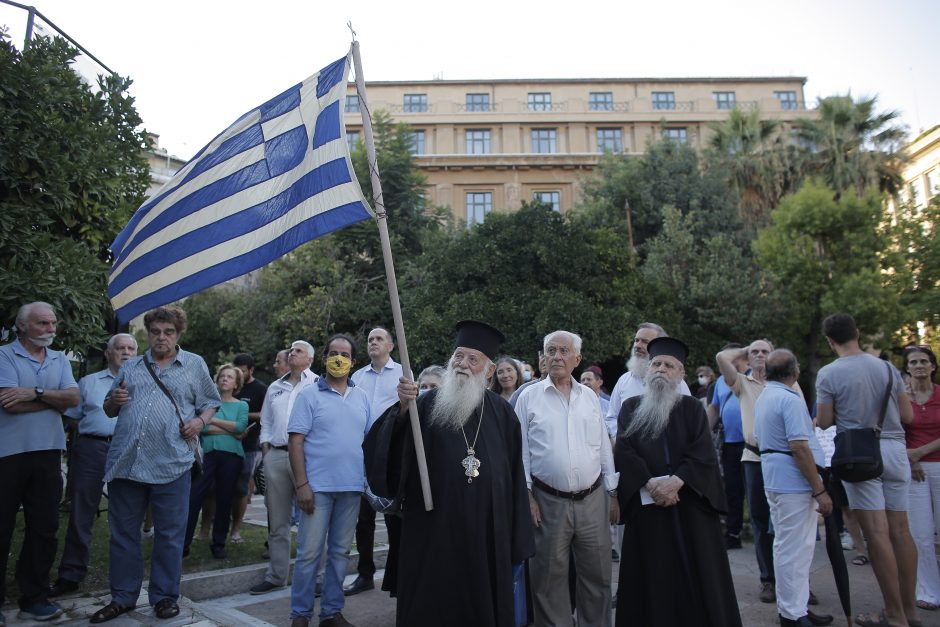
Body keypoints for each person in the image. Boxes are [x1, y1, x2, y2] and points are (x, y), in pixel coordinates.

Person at [364, 320, 534, 626]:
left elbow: (513, 475)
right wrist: (403, 410)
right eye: (458, 356)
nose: (463, 364)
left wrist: (516, 536)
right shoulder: (424, 406)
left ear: (489, 370)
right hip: (434, 529)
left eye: (473, 359)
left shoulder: (503, 413)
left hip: (487, 533)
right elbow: (389, 454)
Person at [95, 305, 220, 623]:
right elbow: (110, 408)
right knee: (123, 533)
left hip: (172, 462)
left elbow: (210, 402)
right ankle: (122, 597)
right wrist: (114, 402)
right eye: (155, 332)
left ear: (178, 334)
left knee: (169, 534)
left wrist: (199, 422)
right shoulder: (132, 366)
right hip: (129, 461)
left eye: (168, 332)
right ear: (147, 334)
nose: (161, 337)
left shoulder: (194, 364)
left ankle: (164, 597)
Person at [615, 336, 741, 627]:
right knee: (650, 575)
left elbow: (703, 453)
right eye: (656, 363)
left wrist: (677, 482)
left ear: (680, 374)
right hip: (648, 508)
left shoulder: (692, 408)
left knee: (699, 573)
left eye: (669, 365)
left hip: (690, 503)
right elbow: (624, 451)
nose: (660, 369)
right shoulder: (631, 408)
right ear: (647, 370)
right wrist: (651, 484)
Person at [816, 313, 918, 627]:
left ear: (830, 341)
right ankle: (911, 611)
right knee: (901, 530)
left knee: (876, 534)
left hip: (861, 454)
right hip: (895, 449)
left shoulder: (829, 373)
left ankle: (894, 614)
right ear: (857, 333)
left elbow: (824, 421)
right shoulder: (887, 367)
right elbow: (908, 416)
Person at [516, 330, 619, 626]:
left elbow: (602, 448)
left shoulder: (590, 397)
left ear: (577, 359)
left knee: (598, 577)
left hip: (593, 499)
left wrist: (612, 493)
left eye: (564, 351)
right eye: (551, 350)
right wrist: (528, 496)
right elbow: (520, 452)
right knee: (548, 579)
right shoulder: (528, 398)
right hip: (547, 501)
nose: (557, 357)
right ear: (544, 356)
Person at [0, 302, 79, 622]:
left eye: (53, 323)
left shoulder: (60, 358)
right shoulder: (4, 355)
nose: (50, 329)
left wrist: (33, 392)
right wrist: (53, 400)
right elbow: (9, 403)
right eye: (43, 324)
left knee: (44, 528)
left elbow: (74, 399)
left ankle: (33, 598)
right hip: (8, 453)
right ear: (22, 326)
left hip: (48, 453)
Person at [288, 334, 372, 627]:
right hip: (316, 489)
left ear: (353, 361)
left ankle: (331, 613)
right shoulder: (308, 395)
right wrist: (302, 485)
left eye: (345, 354)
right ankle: (300, 615)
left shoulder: (361, 396)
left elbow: (367, 442)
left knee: (339, 554)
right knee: (309, 555)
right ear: (324, 358)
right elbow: (295, 442)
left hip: (351, 488)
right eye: (334, 353)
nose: (339, 359)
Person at [49, 334, 138, 598]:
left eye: (131, 348)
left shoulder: (145, 382)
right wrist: (97, 432)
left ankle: (126, 576)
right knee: (81, 512)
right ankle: (71, 574)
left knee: (128, 513)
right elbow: (73, 418)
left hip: (128, 449)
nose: (125, 352)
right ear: (108, 353)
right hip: (92, 449)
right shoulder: (88, 382)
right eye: (119, 348)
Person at [755, 349, 834, 627]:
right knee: (794, 551)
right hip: (792, 483)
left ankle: (796, 607)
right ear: (795, 372)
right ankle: (792, 614)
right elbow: (799, 447)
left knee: (791, 549)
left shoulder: (767, 395)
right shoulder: (789, 399)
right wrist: (819, 489)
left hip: (779, 478)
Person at [716, 338, 788, 603]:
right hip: (754, 458)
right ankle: (768, 579)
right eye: (754, 352)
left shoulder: (786, 382)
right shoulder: (742, 383)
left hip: (784, 460)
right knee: (759, 520)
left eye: (764, 351)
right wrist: (746, 351)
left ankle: (793, 580)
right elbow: (721, 359)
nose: (759, 355)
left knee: (785, 522)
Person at [251, 341, 318, 595]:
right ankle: (276, 575)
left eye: (298, 350)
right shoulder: (275, 387)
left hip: (308, 457)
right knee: (277, 520)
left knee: (311, 519)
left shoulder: (317, 384)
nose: (292, 353)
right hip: (276, 456)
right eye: (291, 350)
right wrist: (266, 451)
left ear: (310, 359)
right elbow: (266, 422)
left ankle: (315, 577)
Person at [347, 327, 403, 597]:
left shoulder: (404, 373)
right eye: (370, 339)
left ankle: (397, 573)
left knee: (393, 517)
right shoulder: (357, 376)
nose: (373, 343)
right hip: (362, 451)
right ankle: (365, 574)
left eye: (379, 339)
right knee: (363, 518)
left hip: (391, 452)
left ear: (391, 346)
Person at [183, 364, 248, 559]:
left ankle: (218, 544)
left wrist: (212, 421)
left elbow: (241, 426)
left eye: (229, 377)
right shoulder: (205, 403)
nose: (225, 379)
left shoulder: (241, 405)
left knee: (225, 499)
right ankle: (183, 543)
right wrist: (231, 429)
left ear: (236, 383)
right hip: (207, 455)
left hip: (232, 457)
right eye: (222, 376)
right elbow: (201, 429)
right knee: (194, 497)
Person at [902, 345, 940, 612]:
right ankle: (928, 591)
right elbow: (893, 430)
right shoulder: (901, 398)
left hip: (937, 464)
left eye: (924, 361)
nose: (918, 365)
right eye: (913, 362)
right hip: (913, 471)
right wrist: (910, 458)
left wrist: (920, 453)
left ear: (933, 366)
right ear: (906, 368)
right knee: (921, 534)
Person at [606, 322, 691, 436]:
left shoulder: (677, 384)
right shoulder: (624, 380)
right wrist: (619, 440)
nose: (638, 345)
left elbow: (687, 420)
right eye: (636, 340)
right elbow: (612, 417)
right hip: (627, 449)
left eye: (645, 342)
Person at [707, 343, 747, 550]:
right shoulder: (721, 383)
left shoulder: (753, 378)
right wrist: (702, 433)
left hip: (752, 444)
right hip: (730, 443)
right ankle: (733, 532)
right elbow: (714, 408)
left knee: (755, 488)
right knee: (733, 490)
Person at [230, 353, 268, 544]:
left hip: (249, 444)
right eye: (236, 369)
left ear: (251, 370)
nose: (238, 373)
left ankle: (236, 528)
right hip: (226, 443)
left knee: (241, 487)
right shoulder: (231, 384)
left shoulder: (260, 389)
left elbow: (264, 414)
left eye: (242, 371)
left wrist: (240, 413)